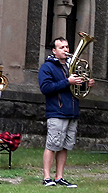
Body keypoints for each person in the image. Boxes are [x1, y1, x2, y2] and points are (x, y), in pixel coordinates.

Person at [39, 36, 93, 188]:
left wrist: (86, 84)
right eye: (62, 48)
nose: (66, 50)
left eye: (67, 47)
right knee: (52, 145)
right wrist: (67, 82)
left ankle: (59, 177)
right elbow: (45, 88)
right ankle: (47, 177)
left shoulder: (71, 66)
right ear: (54, 51)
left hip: (72, 111)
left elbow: (76, 90)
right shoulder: (47, 67)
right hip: (57, 111)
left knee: (64, 146)